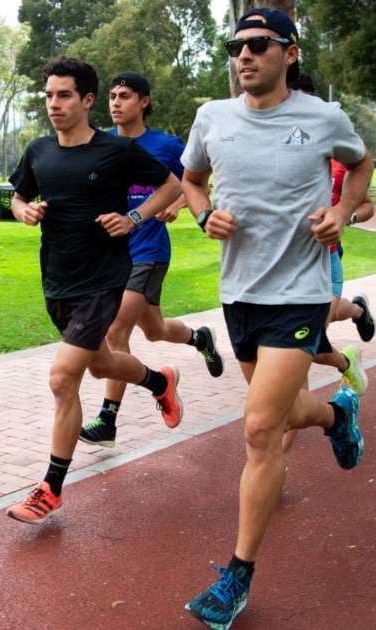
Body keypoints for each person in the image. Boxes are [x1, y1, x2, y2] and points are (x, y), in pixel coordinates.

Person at [179, 8, 373, 628]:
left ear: (289, 53)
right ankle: (336, 411)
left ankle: (236, 577)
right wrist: (203, 213)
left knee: (260, 430)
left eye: (258, 45)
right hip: (240, 292)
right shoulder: (212, 117)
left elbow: (361, 164)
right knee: (285, 412)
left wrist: (342, 211)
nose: (244, 56)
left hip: (300, 290)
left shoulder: (322, 118)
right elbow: (190, 179)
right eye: (236, 46)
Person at [4, 57, 185, 525]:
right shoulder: (39, 151)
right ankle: (160, 381)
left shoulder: (115, 152)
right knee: (101, 361)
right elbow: (18, 195)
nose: (54, 104)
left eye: (64, 95)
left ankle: (51, 487)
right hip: (57, 279)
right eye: (49, 95)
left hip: (104, 278)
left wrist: (135, 218)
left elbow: (170, 185)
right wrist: (22, 210)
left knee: (64, 377)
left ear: (86, 100)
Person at [78, 71, 225, 450]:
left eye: (124, 95)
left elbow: (194, 182)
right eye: (111, 96)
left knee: (115, 332)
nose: (115, 102)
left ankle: (108, 420)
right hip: (111, 256)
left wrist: (176, 205)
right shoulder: (100, 143)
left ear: (143, 101)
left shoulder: (165, 144)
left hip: (147, 253)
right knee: (155, 330)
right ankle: (200, 338)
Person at [281, 73, 376, 456]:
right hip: (276, 269)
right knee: (299, 352)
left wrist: (343, 214)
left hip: (324, 258)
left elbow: (366, 205)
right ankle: (346, 358)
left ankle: (279, 458)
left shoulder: (336, 152)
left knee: (297, 363)